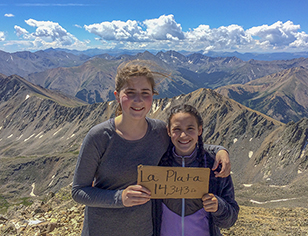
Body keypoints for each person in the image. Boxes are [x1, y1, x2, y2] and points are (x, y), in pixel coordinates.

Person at [71, 60, 231, 236]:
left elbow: (186, 142)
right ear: (117, 96)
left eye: (145, 93)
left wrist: (220, 150)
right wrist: (120, 198)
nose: (138, 100)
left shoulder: (159, 132)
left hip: (144, 231)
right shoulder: (99, 136)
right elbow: (79, 191)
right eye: (130, 92)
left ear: (152, 96)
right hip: (101, 230)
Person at [153, 104, 239, 236]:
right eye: (177, 129)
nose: (183, 135)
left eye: (190, 128)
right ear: (168, 131)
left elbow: (230, 219)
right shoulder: (157, 161)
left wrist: (218, 207)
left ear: (200, 130)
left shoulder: (214, 165)